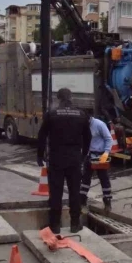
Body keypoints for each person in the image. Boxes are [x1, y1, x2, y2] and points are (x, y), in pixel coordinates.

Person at [37, 88, 91, 234]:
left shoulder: (52, 114)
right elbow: (88, 138)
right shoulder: (81, 114)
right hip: (74, 158)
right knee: (74, 192)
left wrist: (39, 155)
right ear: (71, 97)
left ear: (58, 98)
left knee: (56, 192)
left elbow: (42, 136)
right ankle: (75, 224)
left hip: (56, 158)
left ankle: (55, 225)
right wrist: (83, 155)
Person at [80, 116, 114, 213]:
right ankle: (82, 200)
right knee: (85, 178)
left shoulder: (99, 124)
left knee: (104, 178)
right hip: (89, 155)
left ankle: (107, 201)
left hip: (100, 155)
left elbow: (108, 138)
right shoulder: (84, 125)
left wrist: (106, 152)